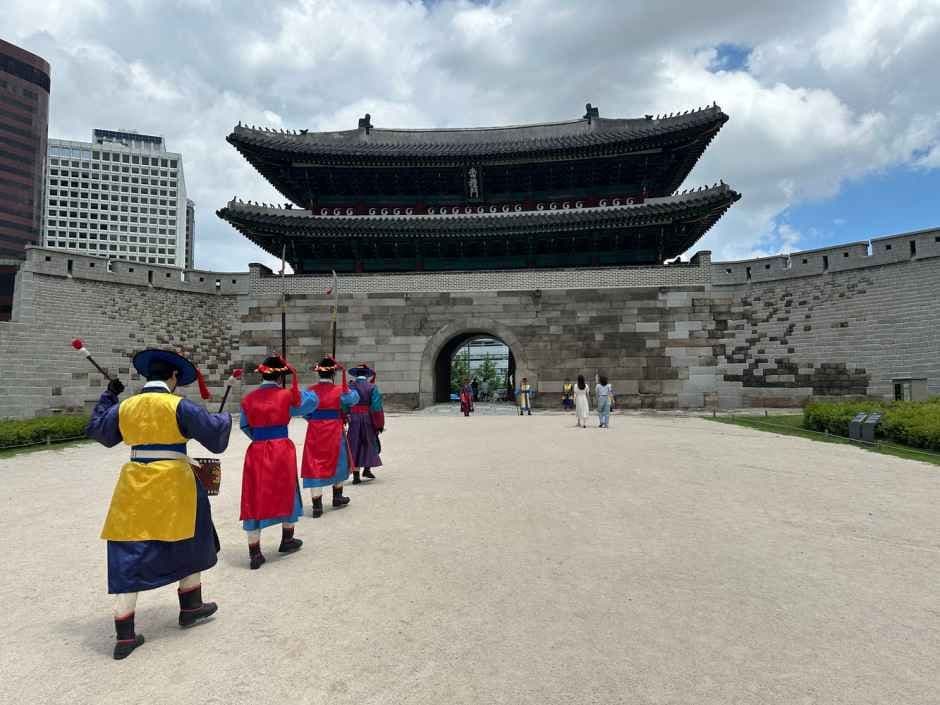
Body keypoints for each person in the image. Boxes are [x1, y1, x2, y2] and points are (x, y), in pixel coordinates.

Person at [86, 349, 231, 660]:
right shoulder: (179, 405)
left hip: (134, 482)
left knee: (129, 548)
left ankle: (124, 634)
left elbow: (100, 431)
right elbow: (214, 434)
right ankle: (191, 606)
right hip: (174, 482)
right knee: (190, 539)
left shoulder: (126, 406)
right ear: (174, 376)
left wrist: (108, 397)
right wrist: (224, 418)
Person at [239, 355, 317, 570]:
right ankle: (287, 539)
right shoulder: (286, 396)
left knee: (254, 495)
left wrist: (259, 438)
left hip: (257, 449)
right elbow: (312, 402)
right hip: (281, 449)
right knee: (287, 490)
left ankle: (255, 552)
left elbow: (244, 426)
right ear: (281, 377)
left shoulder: (248, 399)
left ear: (262, 375)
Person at [300, 357, 359, 517]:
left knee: (315, 463)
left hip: (315, 429)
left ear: (318, 373)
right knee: (338, 460)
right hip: (334, 429)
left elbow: (303, 410)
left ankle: (317, 506)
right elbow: (353, 399)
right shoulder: (339, 390)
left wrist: (313, 419)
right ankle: (337, 497)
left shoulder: (310, 390)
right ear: (333, 374)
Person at [347, 363, 385, 484]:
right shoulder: (372, 387)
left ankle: (356, 475)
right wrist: (379, 424)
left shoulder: (350, 387)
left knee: (354, 444)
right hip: (368, 417)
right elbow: (376, 407)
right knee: (369, 442)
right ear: (367, 375)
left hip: (353, 418)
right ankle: (367, 469)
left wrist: (346, 415)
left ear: (356, 374)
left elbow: (345, 403)